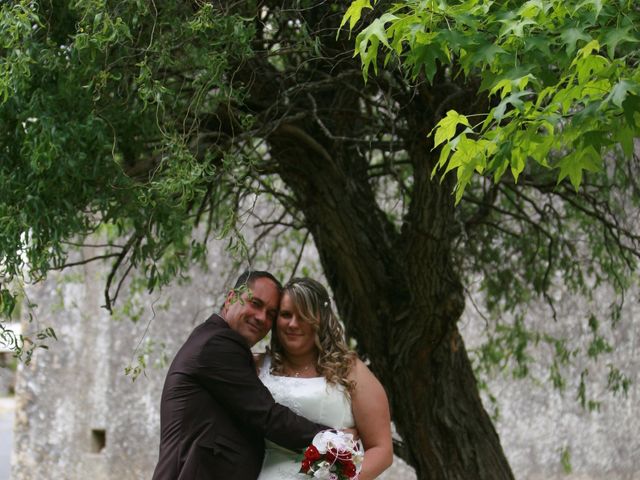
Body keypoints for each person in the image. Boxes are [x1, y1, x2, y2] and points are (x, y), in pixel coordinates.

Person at [152, 270, 329, 480]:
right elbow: (266, 416)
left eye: (271, 313)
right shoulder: (217, 344)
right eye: (255, 303)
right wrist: (332, 439)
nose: (262, 317)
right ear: (230, 299)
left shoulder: (216, 341)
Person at [256, 277, 393, 480]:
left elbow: (381, 449)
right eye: (286, 314)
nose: (293, 324)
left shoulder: (349, 369)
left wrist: (344, 477)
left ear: (321, 319)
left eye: (303, 315)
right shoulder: (257, 366)